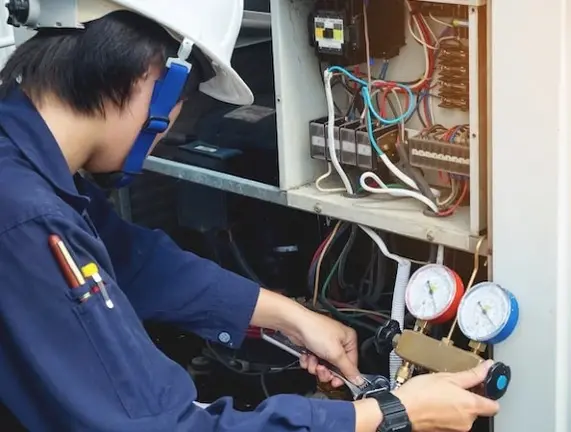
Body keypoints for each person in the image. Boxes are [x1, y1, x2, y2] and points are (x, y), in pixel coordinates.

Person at [0, 1, 501, 431]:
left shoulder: (26, 170)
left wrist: (290, 317)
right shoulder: (27, 219)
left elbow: (134, 261)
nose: (171, 125)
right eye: (186, 101)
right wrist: (387, 413)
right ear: (158, 75)